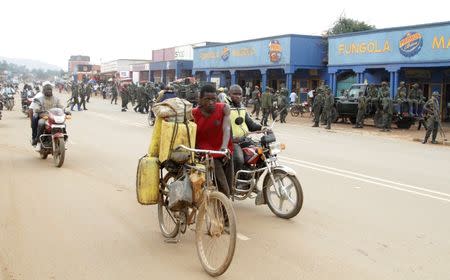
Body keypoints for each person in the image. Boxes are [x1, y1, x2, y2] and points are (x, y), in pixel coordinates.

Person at [192, 84, 233, 197]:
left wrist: (224, 147)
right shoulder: (193, 114)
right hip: (206, 152)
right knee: (223, 187)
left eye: (213, 99)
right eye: (207, 99)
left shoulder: (224, 108)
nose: (211, 102)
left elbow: (227, 128)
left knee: (229, 183)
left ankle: (224, 199)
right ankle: (225, 210)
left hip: (223, 149)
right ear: (200, 100)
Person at [226, 85, 262, 173]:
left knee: (262, 154)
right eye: (235, 94)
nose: (238, 96)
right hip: (232, 141)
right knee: (239, 159)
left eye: (239, 94)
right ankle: (233, 181)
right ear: (229, 94)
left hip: (244, 139)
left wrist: (263, 128)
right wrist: (232, 139)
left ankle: (250, 178)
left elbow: (251, 125)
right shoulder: (225, 107)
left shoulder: (242, 107)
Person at [31, 83, 64, 151]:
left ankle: (64, 137)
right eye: (47, 89)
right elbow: (36, 108)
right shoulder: (39, 99)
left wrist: (65, 111)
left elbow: (61, 107)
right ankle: (37, 139)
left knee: (63, 124)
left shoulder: (56, 99)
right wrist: (39, 110)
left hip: (54, 117)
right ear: (44, 91)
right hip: (44, 116)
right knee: (41, 123)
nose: (49, 91)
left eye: (50, 89)